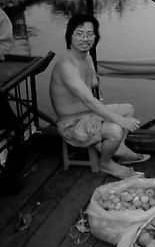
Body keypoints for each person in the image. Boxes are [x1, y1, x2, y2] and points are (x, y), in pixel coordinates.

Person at [49, 13, 149, 179]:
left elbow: (94, 83)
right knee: (116, 129)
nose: (85, 38)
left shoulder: (86, 56)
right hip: (71, 123)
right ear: (69, 36)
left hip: (88, 113)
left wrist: (96, 86)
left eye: (90, 33)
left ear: (96, 36)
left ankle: (117, 149)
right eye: (79, 33)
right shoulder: (66, 65)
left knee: (128, 109)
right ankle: (106, 163)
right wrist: (118, 120)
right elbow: (88, 100)